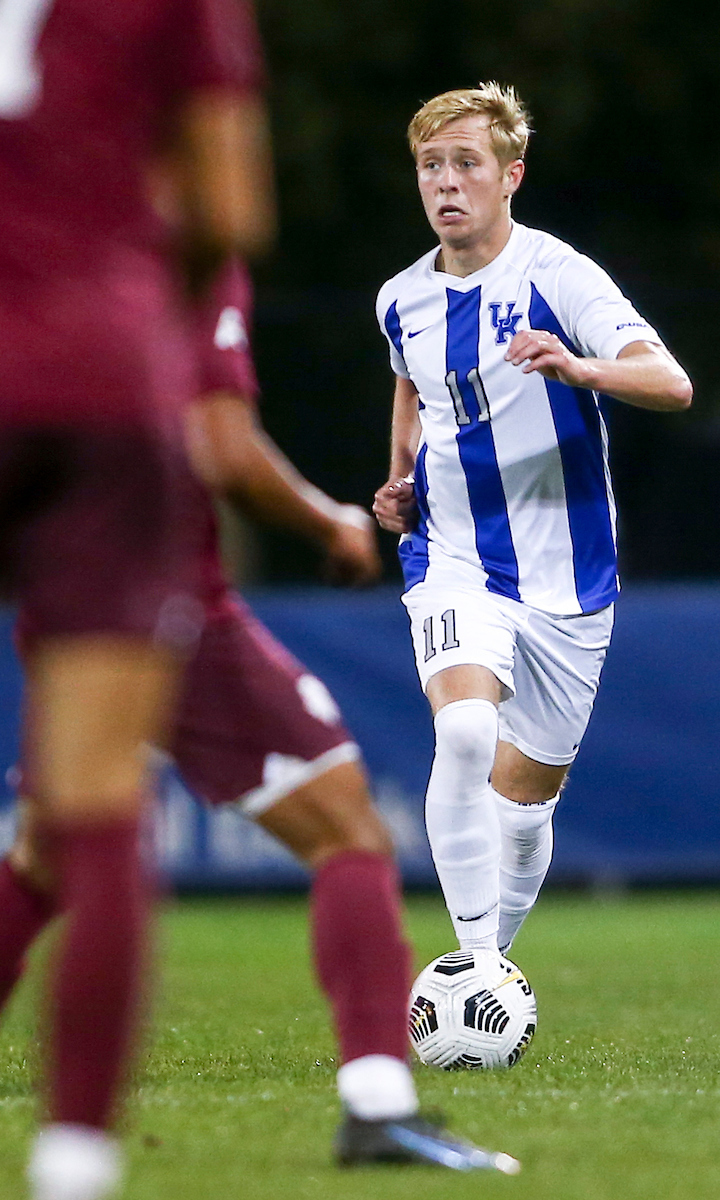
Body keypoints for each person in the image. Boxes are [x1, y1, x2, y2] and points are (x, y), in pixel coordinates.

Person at [0, 259, 520, 1178]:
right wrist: (329, 522)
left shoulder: (38, 270)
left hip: (62, 606)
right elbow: (222, 444)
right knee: (348, 829)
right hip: (170, 609)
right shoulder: (179, 254)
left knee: (44, 857)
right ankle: (377, 1106)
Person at [0, 2, 273, 1198]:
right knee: (97, 803)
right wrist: (122, 306)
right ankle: (75, 1168)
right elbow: (228, 210)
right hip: (109, 382)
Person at [372, 83, 692, 973]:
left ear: (510, 175)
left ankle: (490, 966)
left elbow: (671, 384)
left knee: (523, 812)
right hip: (453, 555)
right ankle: (472, 969)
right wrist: (398, 478)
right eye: (431, 166)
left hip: (569, 574)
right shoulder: (402, 299)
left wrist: (576, 365)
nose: (445, 183)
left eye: (465, 163)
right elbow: (412, 385)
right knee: (466, 734)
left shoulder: (559, 275)